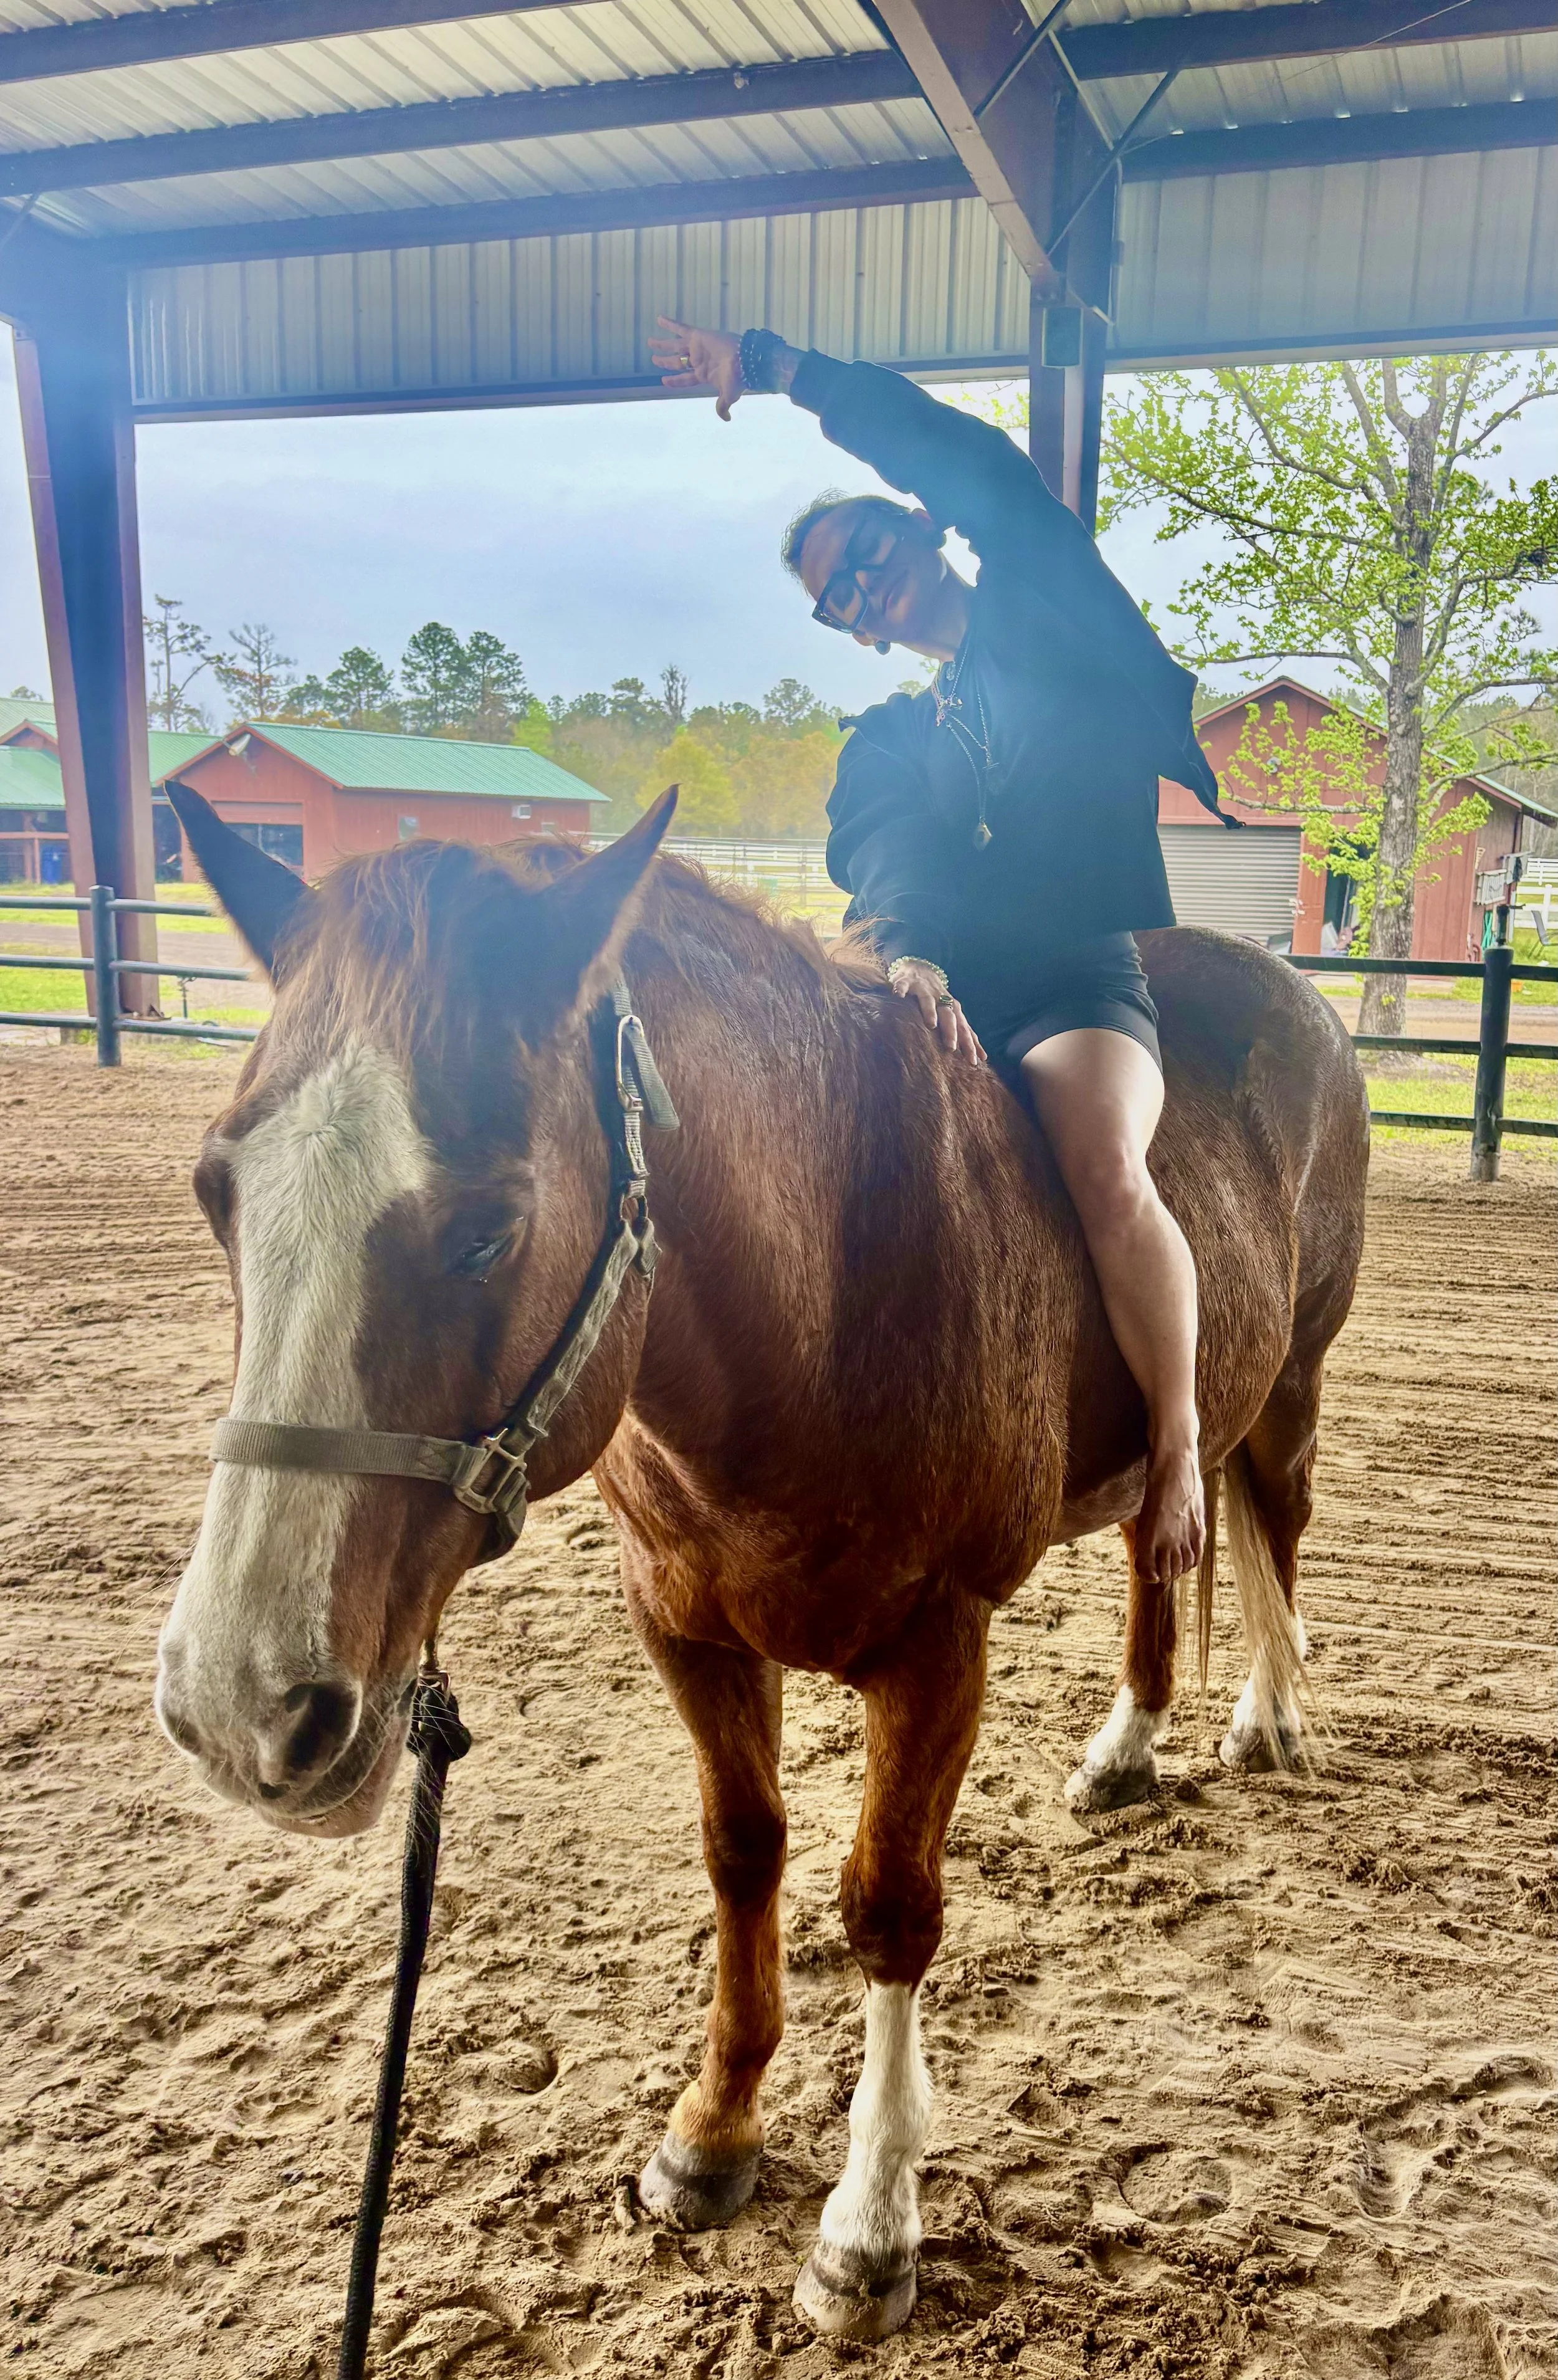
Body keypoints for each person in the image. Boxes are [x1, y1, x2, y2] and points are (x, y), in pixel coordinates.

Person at [649, 318, 1241, 1587]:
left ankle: (1179, 1441)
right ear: (848, 631)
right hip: (937, 984)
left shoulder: (1042, 606)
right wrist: (906, 956)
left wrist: (786, 370)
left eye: (867, 551)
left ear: (918, 532)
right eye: (838, 594)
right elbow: (889, 849)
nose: (864, 588)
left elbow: (971, 461)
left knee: (1099, 1163)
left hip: (1072, 976)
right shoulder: (889, 734)